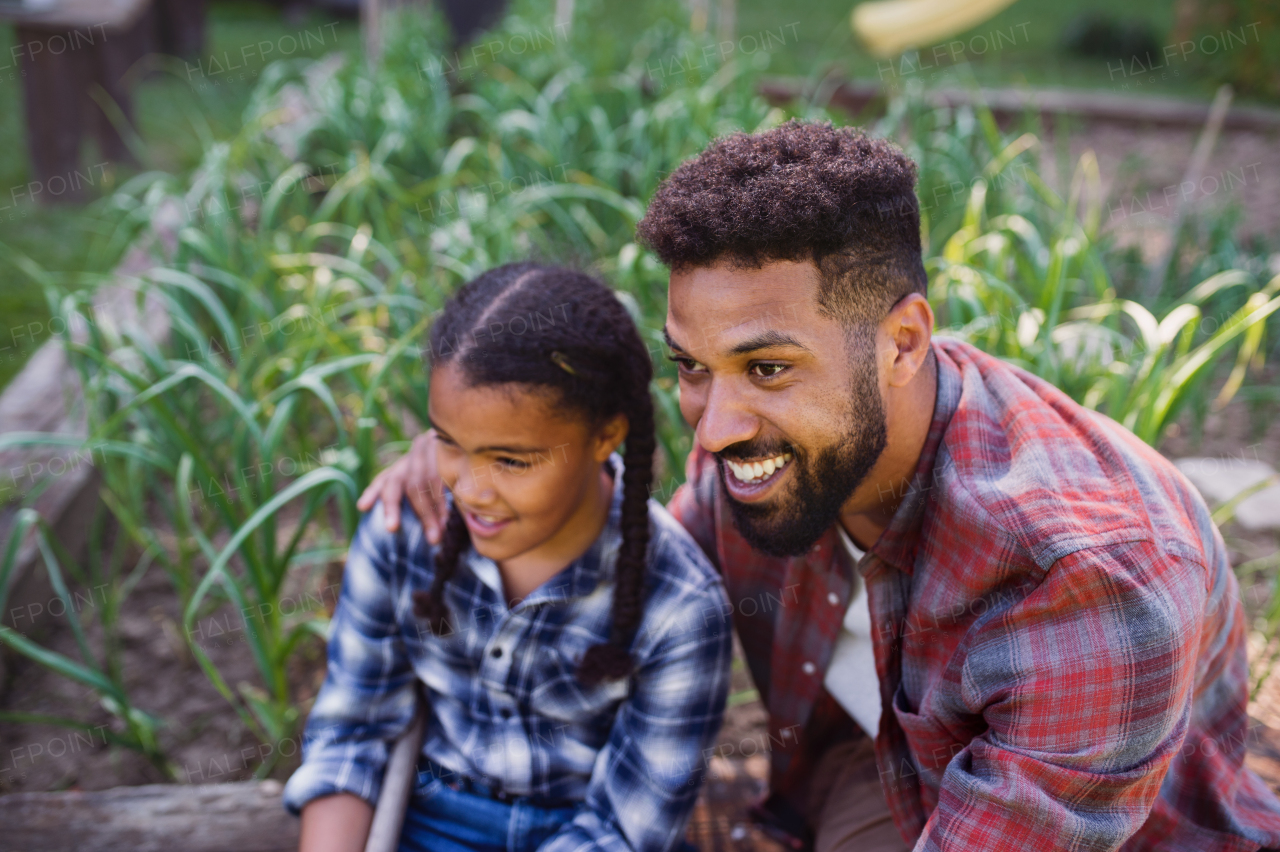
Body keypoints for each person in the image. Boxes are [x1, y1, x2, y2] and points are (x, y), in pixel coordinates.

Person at [360, 121, 1280, 852]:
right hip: (884, 776)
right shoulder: (769, 458)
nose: (712, 427)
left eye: (766, 368)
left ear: (904, 343)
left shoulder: (1084, 579)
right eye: (692, 367)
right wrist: (471, 454)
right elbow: (627, 567)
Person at [285, 263, 733, 852]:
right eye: (448, 442)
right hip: (424, 817)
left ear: (606, 436)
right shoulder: (404, 533)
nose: (469, 489)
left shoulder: (682, 609)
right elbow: (352, 730)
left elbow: (621, 831)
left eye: (511, 461)